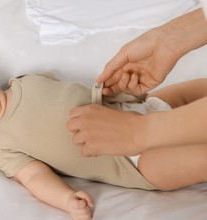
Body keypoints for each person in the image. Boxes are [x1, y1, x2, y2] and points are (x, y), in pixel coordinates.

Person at [0, 55, 207, 220]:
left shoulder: (28, 80)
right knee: (197, 160)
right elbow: (34, 176)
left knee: (188, 91)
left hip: (141, 109)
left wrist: (124, 89)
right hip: (133, 163)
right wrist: (66, 200)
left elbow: (85, 93)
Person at [67, 7, 207, 157]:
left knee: (153, 165)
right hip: (149, 123)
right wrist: (168, 41)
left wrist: (137, 132)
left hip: (140, 147)